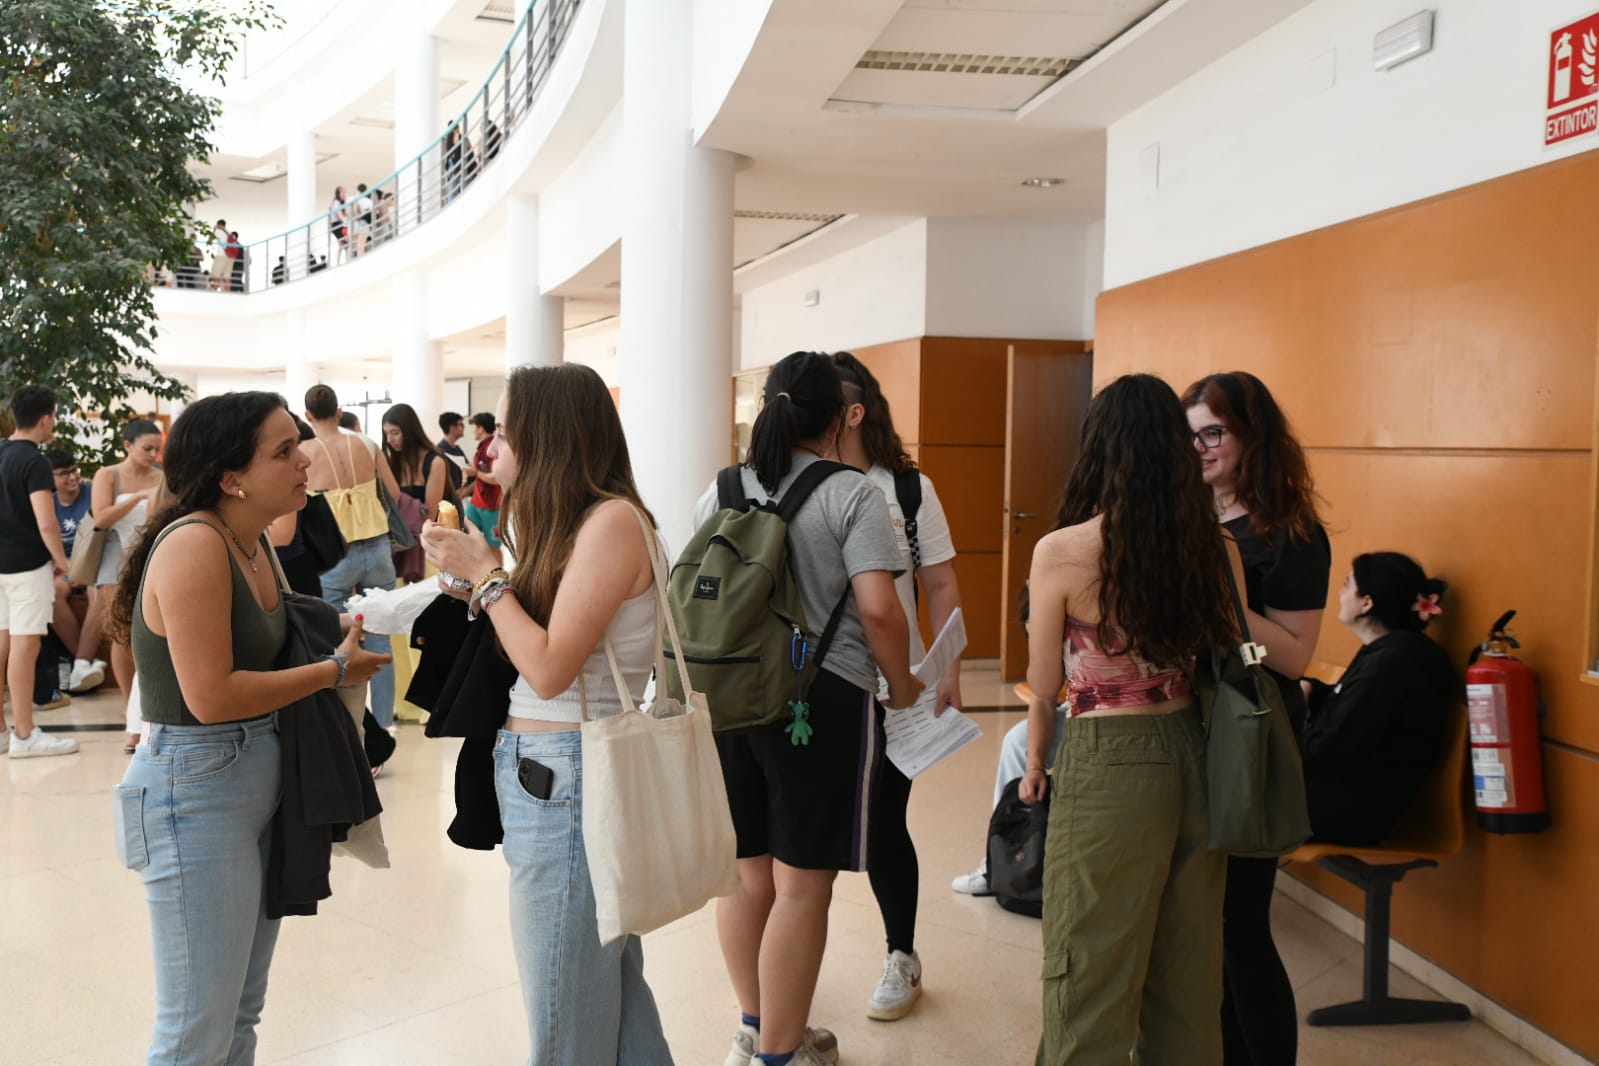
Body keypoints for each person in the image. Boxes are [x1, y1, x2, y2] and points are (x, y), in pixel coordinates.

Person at [109, 391, 387, 1065]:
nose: (305, 462)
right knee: (195, 1030)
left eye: (300, 444)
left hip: (248, 781)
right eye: (284, 451)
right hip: (193, 792)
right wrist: (332, 671)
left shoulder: (251, 536)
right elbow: (209, 696)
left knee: (238, 1013)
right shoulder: (196, 544)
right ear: (232, 476)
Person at [420, 363, 675, 1065]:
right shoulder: (572, 523)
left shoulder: (611, 523)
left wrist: (488, 576)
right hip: (552, 770)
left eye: (505, 428)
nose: (492, 444)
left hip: (566, 774)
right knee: (607, 991)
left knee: (564, 1002)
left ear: (548, 433)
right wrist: (482, 581)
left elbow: (550, 665)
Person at [699, 351, 921, 1066]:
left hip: (729, 695)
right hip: (819, 699)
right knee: (801, 887)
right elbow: (880, 611)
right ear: (837, 418)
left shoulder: (725, 487)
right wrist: (903, 683)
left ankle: (753, 1029)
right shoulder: (852, 493)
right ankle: (782, 1055)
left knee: (745, 871)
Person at [1023, 373, 1237, 1064]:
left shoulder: (1062, 551)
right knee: (1186, 974)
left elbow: (1042, 683)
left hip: (1109, 759)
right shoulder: (1213, 547)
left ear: (1099, 448)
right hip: (1195, 753)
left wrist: (1034, 762)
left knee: (1090, 963)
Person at [1183, 370, 1330, 1066]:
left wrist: (1225, 596)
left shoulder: (1291, 533)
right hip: (1185, 732)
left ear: (1250, 435)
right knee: (1199, 927)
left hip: (1252, 739)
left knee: (1239, 924)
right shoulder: (1184, 520)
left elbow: (1296, 658)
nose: (1200, 448)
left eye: (1212, 432)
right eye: (1188, 436)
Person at [831, 351, 963, 1022]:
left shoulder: (907, 489)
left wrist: (947, 664)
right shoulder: (793, 482)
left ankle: (900, 956)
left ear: (855, 409)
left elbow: (937, 582)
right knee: (810, 833)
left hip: (895, 689)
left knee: (884, 822)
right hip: (816, 688)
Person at [1302, 553, 1454, 845]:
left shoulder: (1390, 665)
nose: (1340, 593)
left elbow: (1326, 750)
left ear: (1367, 603)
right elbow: (1349, 708)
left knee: (1230, 791)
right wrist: (1311, 689)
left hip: (1351, 811)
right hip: (1351, 797)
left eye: (1348, 585)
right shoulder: (1392, 653)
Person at [303, 385, 403, 730]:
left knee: (334, 637)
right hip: (377, 547)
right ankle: (386, 721)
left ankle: (347, 724)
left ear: (307, 416)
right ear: (339, 410)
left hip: (335, 552)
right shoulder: (367, 443)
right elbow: (393, 491)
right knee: (379, 637)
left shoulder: (305, 451)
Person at [0, 386, 78, 758]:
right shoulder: (35, 462)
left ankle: (2, 732)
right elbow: (47, 525)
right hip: (27, 567)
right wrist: (64, 564)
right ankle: (26, 735)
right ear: (46, 418)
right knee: (25, 646)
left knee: (1, 646)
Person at [93, 418, 167, 753]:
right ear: (127, 446)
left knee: (146, 633)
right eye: (146, 449)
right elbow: (101, 518)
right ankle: (128, 705)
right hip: (115, 561)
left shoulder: (163, 476)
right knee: (121, 635)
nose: (152, 455)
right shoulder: (108, 475)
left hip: (149, 559)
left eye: (157, 449)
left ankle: (141, 712)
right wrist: (137, 495)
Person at [47, 450, 108, 694]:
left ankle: (81, 663)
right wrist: (64, 567)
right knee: (52, 593)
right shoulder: (47, 502)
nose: (72, 477)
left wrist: (80, 568)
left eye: (74, 470)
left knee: (98, 593)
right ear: (50, 479)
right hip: (63, 565)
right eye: (64, 474)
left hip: (93, 560)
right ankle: (83, 665)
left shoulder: (93, 492)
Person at [464, 411, 502, 548]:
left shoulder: (492, 448)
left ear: (481, 428)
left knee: (493, 547)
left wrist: (476, 472)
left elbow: (497, 477)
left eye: (474, 427)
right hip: (476, 502)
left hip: (491, 505)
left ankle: (495, 569)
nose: (472, 431)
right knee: (467, 537)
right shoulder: (481, 448)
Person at [435, 410, 472, 493]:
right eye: (461, 425)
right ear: (452, 428)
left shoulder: (457, 449)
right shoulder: (439, 451)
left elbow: (468, 468)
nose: (464, 427)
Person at [207, 219, 231, 292]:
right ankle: (228, 292)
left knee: (216, 275)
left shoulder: (218, 232)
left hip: (221, 256)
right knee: (227, 277)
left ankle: (215, 290)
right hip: (230, 257)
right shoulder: (228, 233)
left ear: (219, 225)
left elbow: (209, 241)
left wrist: (214, 229)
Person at [328, 187, 349, 263]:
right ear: (338, 193)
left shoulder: (338, 202)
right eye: (342, 192)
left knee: (341, 244)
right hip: (336, 225)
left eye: (345, 192)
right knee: (348, 240)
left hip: (337, 225)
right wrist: (348, 223)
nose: (344, 194)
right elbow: (340, 215)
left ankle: (338, 262)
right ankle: (343, 261)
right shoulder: (336, 202)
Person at [351, 184, 373, 257]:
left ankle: (360, 259)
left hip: (359, 223)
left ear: (358, 190)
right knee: (362, 244)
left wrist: (358, 216)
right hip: (366, 223)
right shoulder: (369, 201)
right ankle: (362, 258)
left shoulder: (357, 198)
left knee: (359, 244)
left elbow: (355, 210)